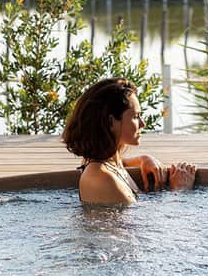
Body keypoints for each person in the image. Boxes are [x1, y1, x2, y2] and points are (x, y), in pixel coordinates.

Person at [63, 78, 196, 204]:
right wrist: (180, 191)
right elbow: (141, 225)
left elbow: (117, 164)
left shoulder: (108, 163)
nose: (142, 124)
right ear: (110, 122)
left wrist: (142, 159)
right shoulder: (100, 177)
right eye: (135, 116)